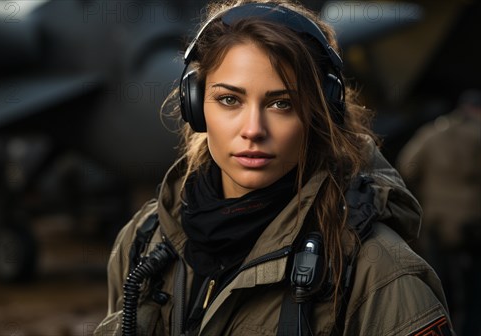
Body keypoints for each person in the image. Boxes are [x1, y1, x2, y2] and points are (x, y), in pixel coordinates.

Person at [95, 1, 454, 335]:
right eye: (229, 100)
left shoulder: (377, 271)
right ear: (195, 106)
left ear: (319, 115)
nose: (253, 129)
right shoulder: (144, 240)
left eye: (281, 103)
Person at [397, 89, 481, 336]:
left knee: (440, 289)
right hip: (472, 228)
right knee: (473, 295)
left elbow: (406, 166)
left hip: (435, 225)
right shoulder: (478, 135)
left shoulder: (430, 134)